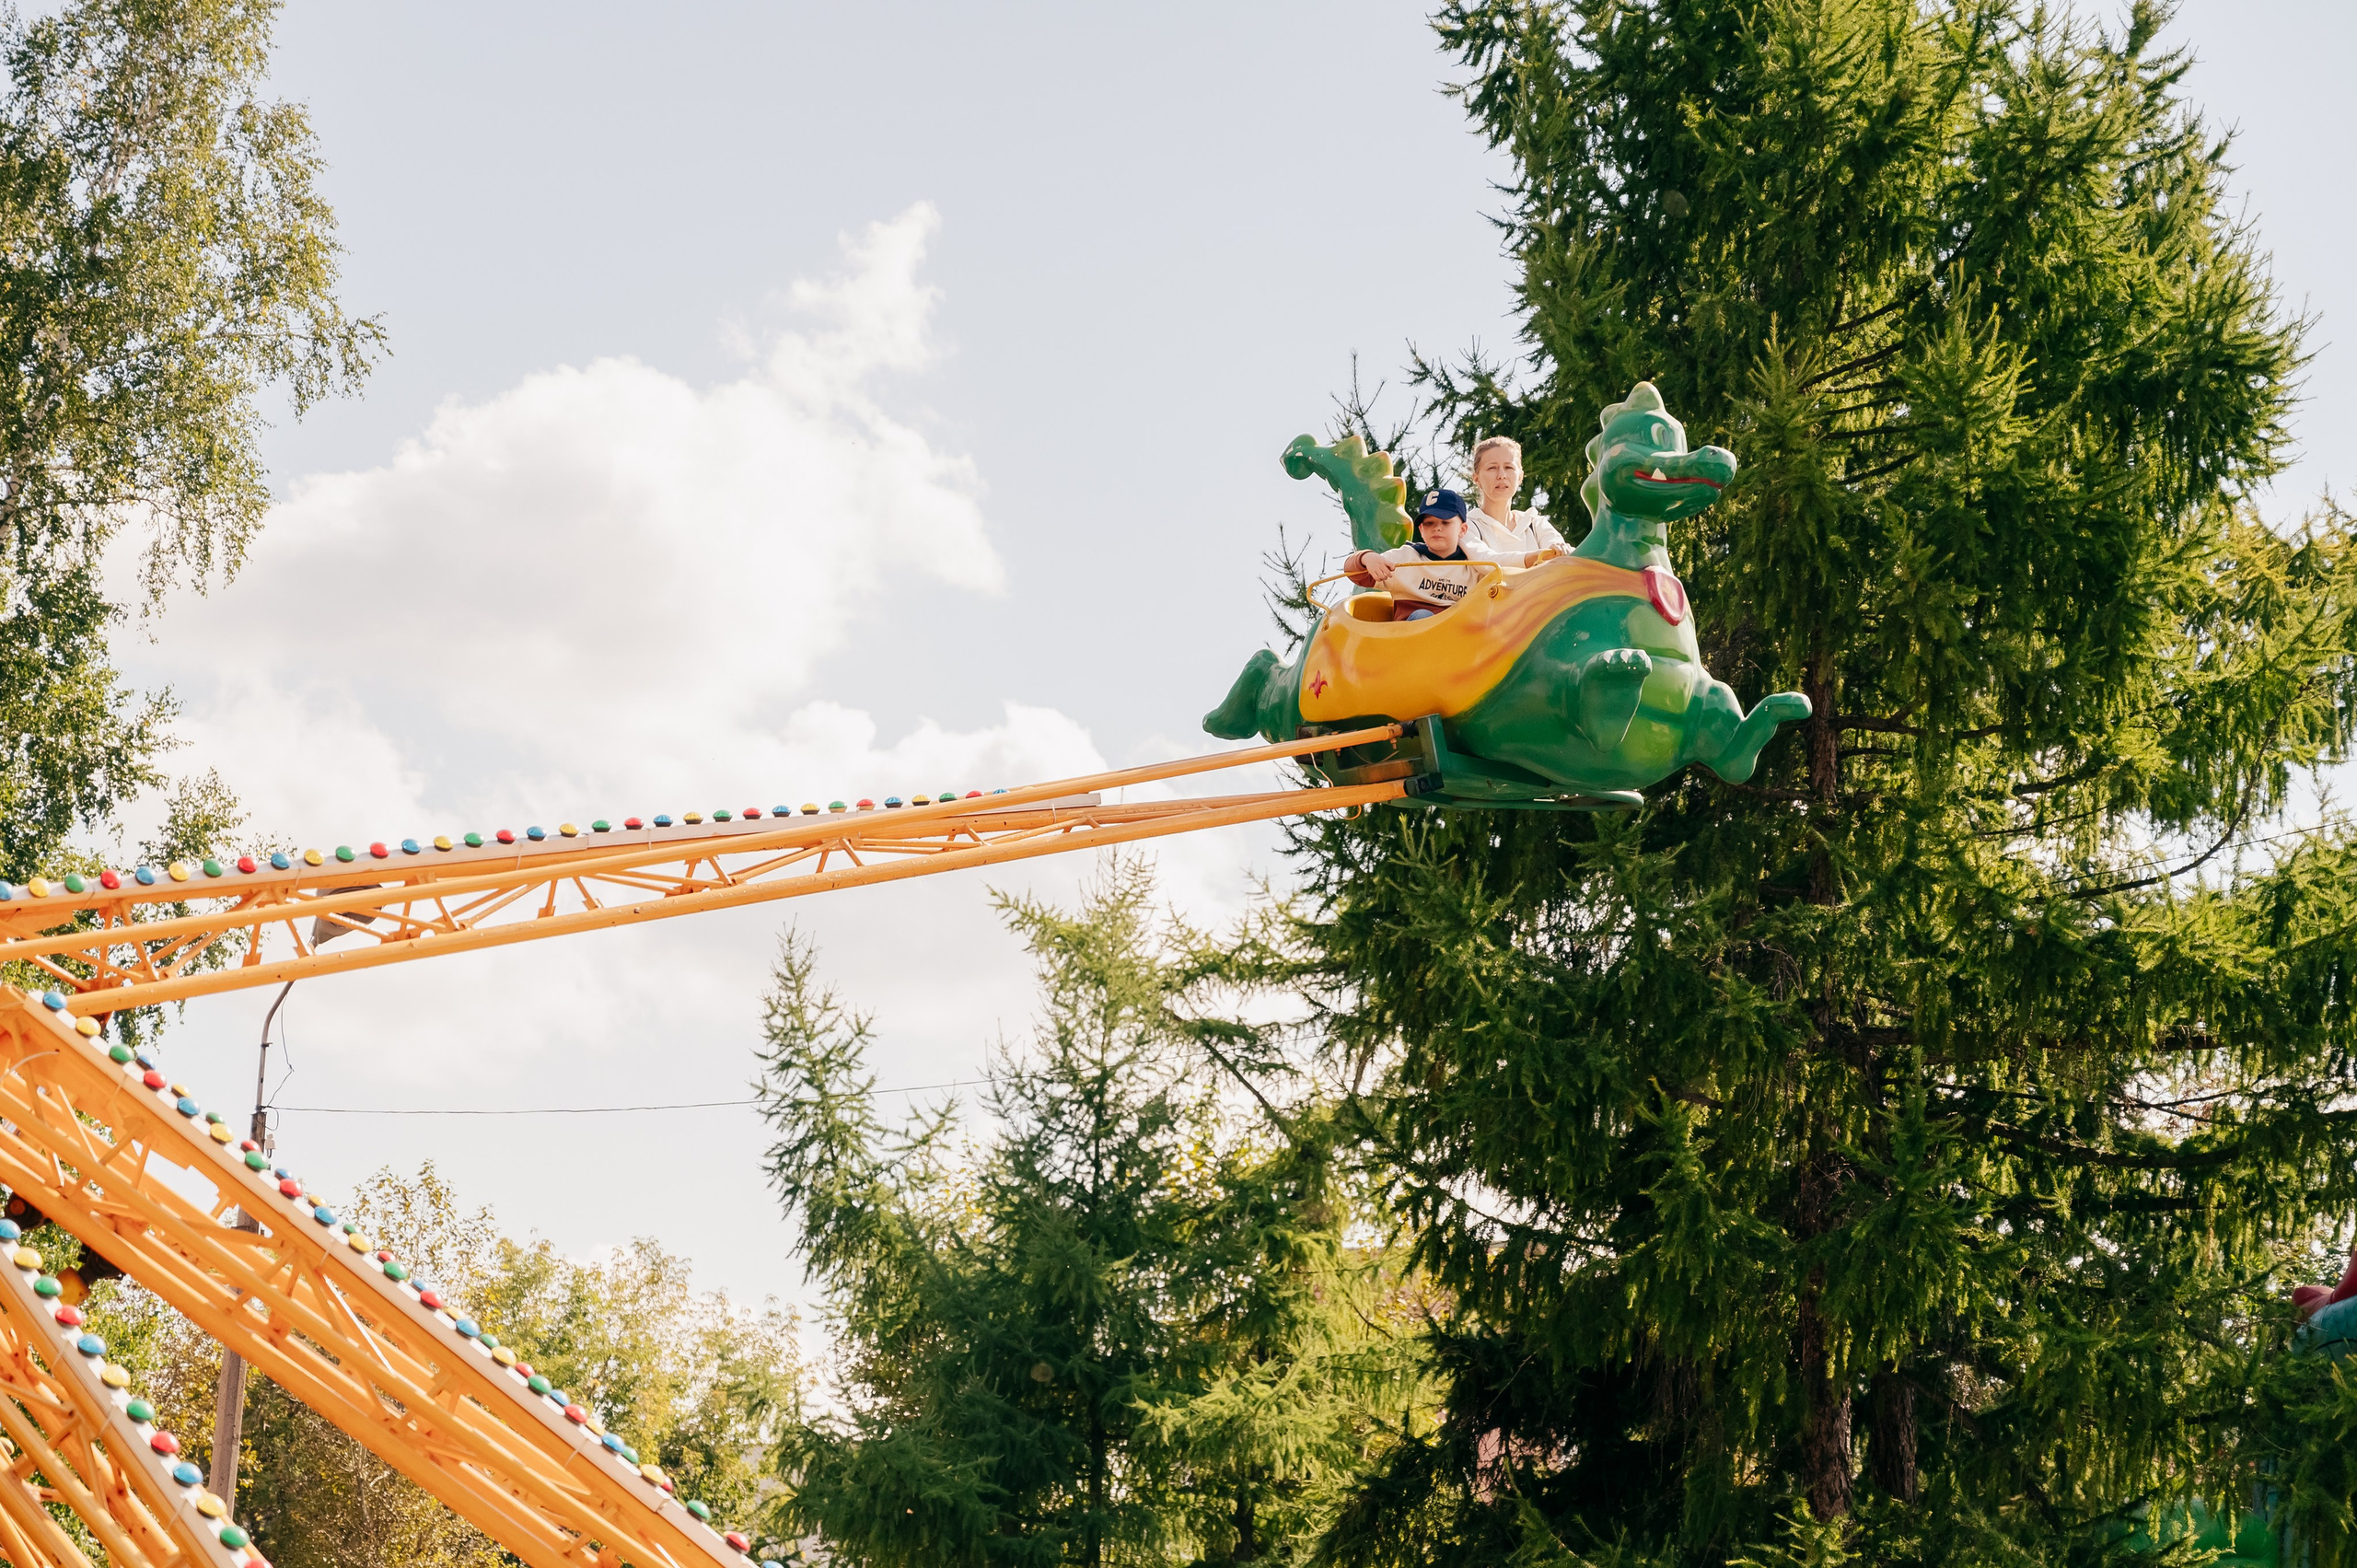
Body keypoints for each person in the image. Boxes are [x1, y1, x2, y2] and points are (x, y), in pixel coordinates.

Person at [1344, 488, 1556, 621]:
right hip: (1411, 641)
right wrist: (1367, 558)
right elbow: (1357, 573)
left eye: (1445, 523)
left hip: (1458, 640)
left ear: (1463, 530)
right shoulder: (1406, 558)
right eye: (1429, 523)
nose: (1437, 528)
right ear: (1421, 530)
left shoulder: (1474, 567)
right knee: (1422, 617)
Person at [1465, 435, 1567, 556]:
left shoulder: (1535, 523)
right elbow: (1486, 561)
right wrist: (1534, 557)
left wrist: (1560, 549)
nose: (1502, 475)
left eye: (1509, 467)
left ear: (1520, 476)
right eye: (1492, 468)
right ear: (1476, 478)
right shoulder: (1467, 526)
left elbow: (1560, 550)